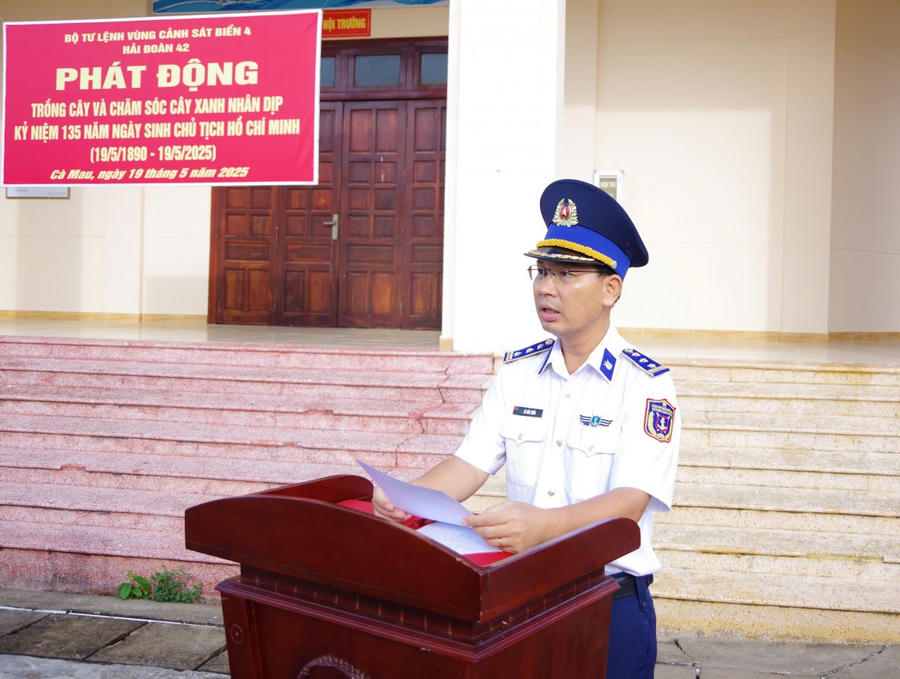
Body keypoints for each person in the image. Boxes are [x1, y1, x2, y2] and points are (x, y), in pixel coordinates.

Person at [373, 178, 680, 679]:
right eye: (542, 271)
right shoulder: (518, 372)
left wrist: (546, 527)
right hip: (523, 600)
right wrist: (407, 496)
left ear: (611, 289)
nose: (545, 288)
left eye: (567, 274)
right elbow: (469, 463)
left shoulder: (644, 385)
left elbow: (631, 500)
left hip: (607, 604)